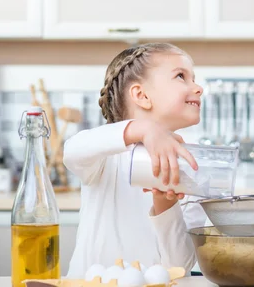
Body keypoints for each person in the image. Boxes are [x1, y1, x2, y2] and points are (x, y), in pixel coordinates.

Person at [63, 42, 207, 278]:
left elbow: (181, 263)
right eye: (181, 76)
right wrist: (144, 129)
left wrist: (165, 205)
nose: (198, 88)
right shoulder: (107, 157)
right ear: (141, 95)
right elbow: (72, 151)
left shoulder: (189, 166)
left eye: (194, 78)